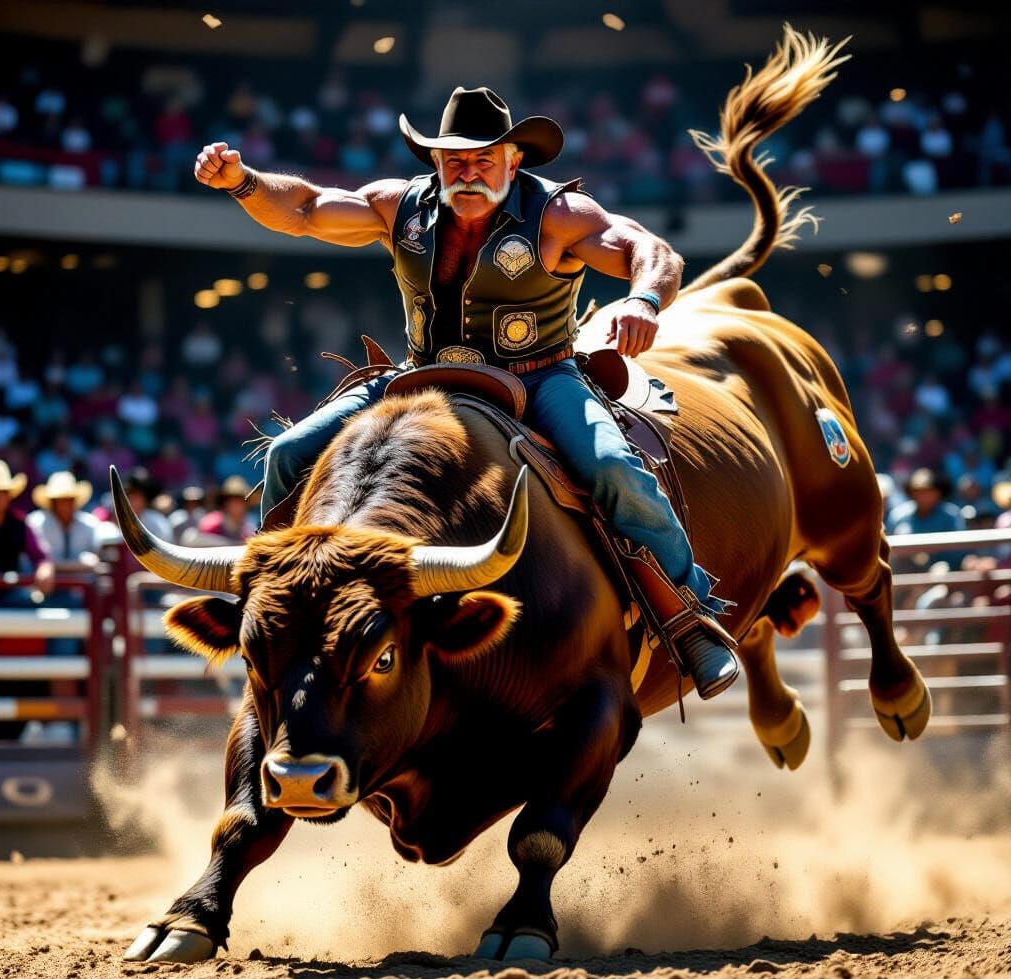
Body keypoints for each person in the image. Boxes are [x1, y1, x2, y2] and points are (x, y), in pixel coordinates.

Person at [193, 86, 738, 696]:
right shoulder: (399, 207)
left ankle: (689, 616)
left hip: (540, 377)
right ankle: (283, 611)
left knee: (611, 465)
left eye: (484, 160)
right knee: (286, 454)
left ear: (513, 161)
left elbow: (650, 249)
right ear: (435, 161)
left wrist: (642, 297)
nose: (468, 172)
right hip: (419, 376)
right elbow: (307, 208)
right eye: (455, 160)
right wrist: (244, 182)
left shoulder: (558, 215)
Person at [0, 460, 54, 596]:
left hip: (14, 592)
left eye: (3, 492)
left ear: (9, 496)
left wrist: (45, 569)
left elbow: (40, 557)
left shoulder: (20, 523)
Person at [26, 470, 104, 568]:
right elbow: (35, 560)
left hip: (81, 581)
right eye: (61, 500)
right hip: (49, 582)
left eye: (69, 499)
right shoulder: (36, 523)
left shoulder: (89, 523)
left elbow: (98, 556)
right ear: (52, 502)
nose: (66, 504)